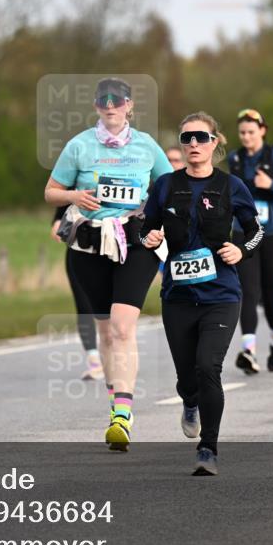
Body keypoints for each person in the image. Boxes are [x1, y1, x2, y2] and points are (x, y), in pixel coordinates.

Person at [44, 77, 172, 451]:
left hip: (135, 242)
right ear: (96, 106)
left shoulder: (147, 146)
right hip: (89, 245)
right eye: (104, 100)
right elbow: (51, 190)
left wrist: (159, 222)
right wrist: (73, 195)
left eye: (118, 100)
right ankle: (116, 399)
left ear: (130, 105)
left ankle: (122, 412)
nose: (111, 106)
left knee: (121, 327)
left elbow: (168, 189)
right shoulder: (79, 145)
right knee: (104, 329)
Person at [141, 112, 260, 475]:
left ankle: (208, 448)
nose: (193, 144)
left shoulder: (232, 186)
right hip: (178, 297)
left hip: (221, 295)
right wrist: (149, 239)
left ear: (214, 143)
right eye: (187, 138)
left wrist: (241, 251)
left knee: (208, 367)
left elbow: (256, 231)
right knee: (187, 378)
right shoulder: (164, 185)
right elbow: (145, 231)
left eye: (201, 138)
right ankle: (189, 401)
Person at [227, 109, 273, 375]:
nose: (246, 137)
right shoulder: (234, 158)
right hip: (244, 233)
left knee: (270, 292)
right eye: (242, 132)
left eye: (251, 132)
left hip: (272, 233)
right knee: (248, 291)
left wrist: (271, 184)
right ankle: (249, 350)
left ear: (262, 131)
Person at [51, 204, 103, 380]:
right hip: (81, 244)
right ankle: (94, 359)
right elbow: (67, 190)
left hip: (116, 242)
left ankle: (118, 351)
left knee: (113, 307)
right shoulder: (78, 176)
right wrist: (58, 219)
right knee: (83, 303)